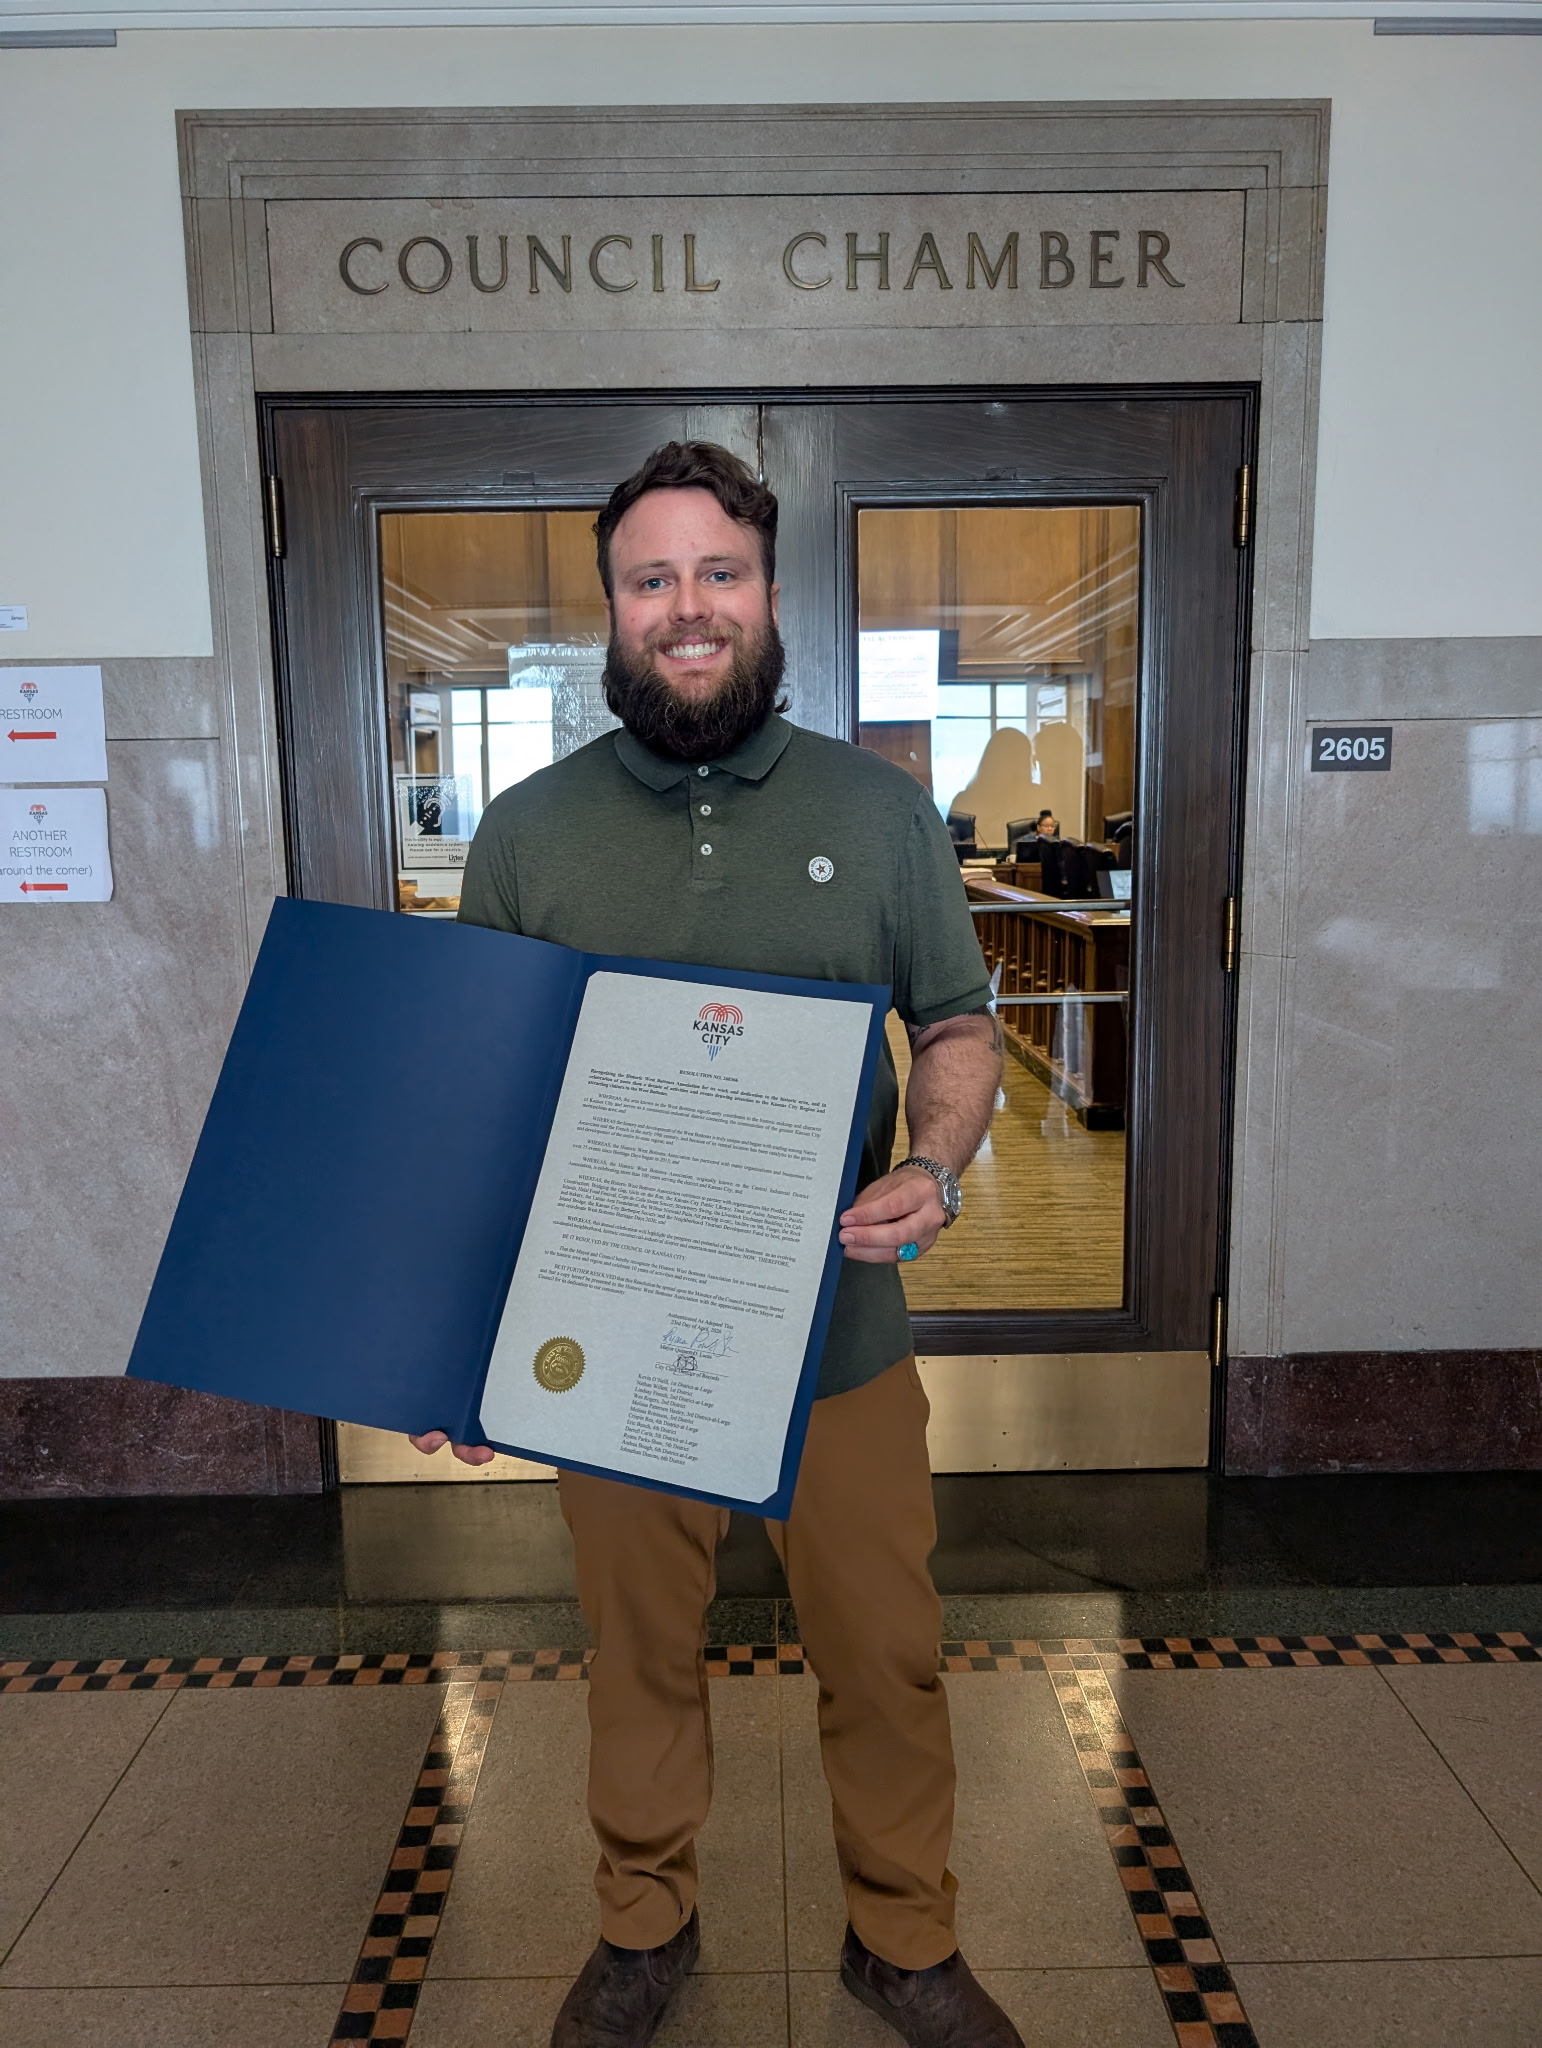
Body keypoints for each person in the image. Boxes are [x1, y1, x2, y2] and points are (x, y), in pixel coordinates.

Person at [408, 442, 1017, 2048]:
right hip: (610, 1351)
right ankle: (641, 1924)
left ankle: (903, 1940)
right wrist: (443, 1340)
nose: (687, 609)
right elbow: (480, 1112)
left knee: (886, 1660)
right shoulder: (529, 836)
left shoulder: (881, 815)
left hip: (837, 1345)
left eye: (718, 574)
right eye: (651, 579)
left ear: (768, 596)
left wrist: (937, 1165)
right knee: (635, 1661)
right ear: (612, 610)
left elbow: (957, 1024)